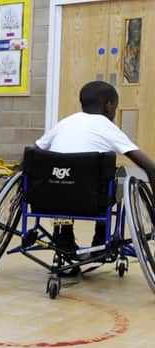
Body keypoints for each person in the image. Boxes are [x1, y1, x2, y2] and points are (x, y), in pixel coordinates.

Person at [35, 80, 155, 251]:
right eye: (115, 106)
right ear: (109, 105)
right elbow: (150, 167)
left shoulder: (64, 123)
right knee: (118, 177)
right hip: (93, 201)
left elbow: (33, 154)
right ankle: (101, 236)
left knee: (64, 183)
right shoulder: (108, 127)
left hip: (49, 197)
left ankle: (64, 234)